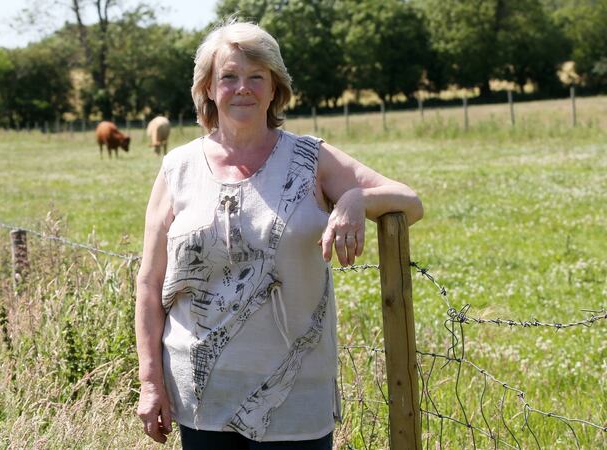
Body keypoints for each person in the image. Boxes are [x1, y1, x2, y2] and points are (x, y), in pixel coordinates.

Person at [135, 20, 423, 449]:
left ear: (275, 89)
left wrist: (354, 201)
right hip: (200, 398)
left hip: (295, 395)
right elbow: (149, 282)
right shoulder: (178, 168)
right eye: (228, 77)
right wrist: (150, 382)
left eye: (257, 77)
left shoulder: (310, 158)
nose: (243, 88)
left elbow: (409, 201)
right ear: (209, 89)